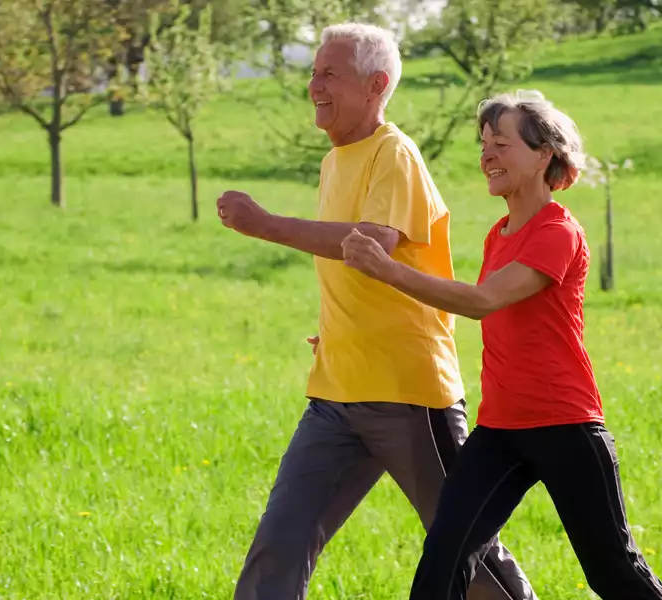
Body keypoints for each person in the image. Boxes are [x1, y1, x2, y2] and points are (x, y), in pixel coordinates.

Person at [215, 23, 537, 600]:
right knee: (280, 544)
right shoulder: (334, 161)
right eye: (314, 72)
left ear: (376, 85)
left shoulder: (395, 153)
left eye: (330, 73)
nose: (314, 84)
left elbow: (371, 243)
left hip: (409, 393)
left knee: (466, 548)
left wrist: (264, 224)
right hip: (336, 391)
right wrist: (340, 329)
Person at [341, 90, 662, 600]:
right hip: (499, 431)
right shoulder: (499, 234)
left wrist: (387, 269)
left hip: (565, 425)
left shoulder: (558, 231)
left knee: (613, 570)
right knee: (444, 559)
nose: (487, 156)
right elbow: (463, 302)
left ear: (545, 153)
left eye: (501, 143)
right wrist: (355, 331)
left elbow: (481, 301)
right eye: (483, 145)